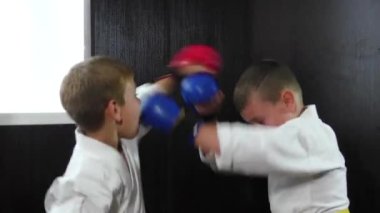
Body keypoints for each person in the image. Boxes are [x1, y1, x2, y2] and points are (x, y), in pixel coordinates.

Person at [194, 60, 350, 213]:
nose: (257, 130)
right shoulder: (289, 143)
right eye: (252, 125)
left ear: (288, 101)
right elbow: (242, 157)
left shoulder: (313, 134)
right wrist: (209, 119)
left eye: (260, 121)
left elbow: (264, 146)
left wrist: (215, 137)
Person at [44, 56, 179, 213]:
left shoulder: (118, 134)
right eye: (135, 96)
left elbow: (142, 98)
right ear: (115, 110)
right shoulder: (86, 181)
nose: (140, 103)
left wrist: (171, 81)